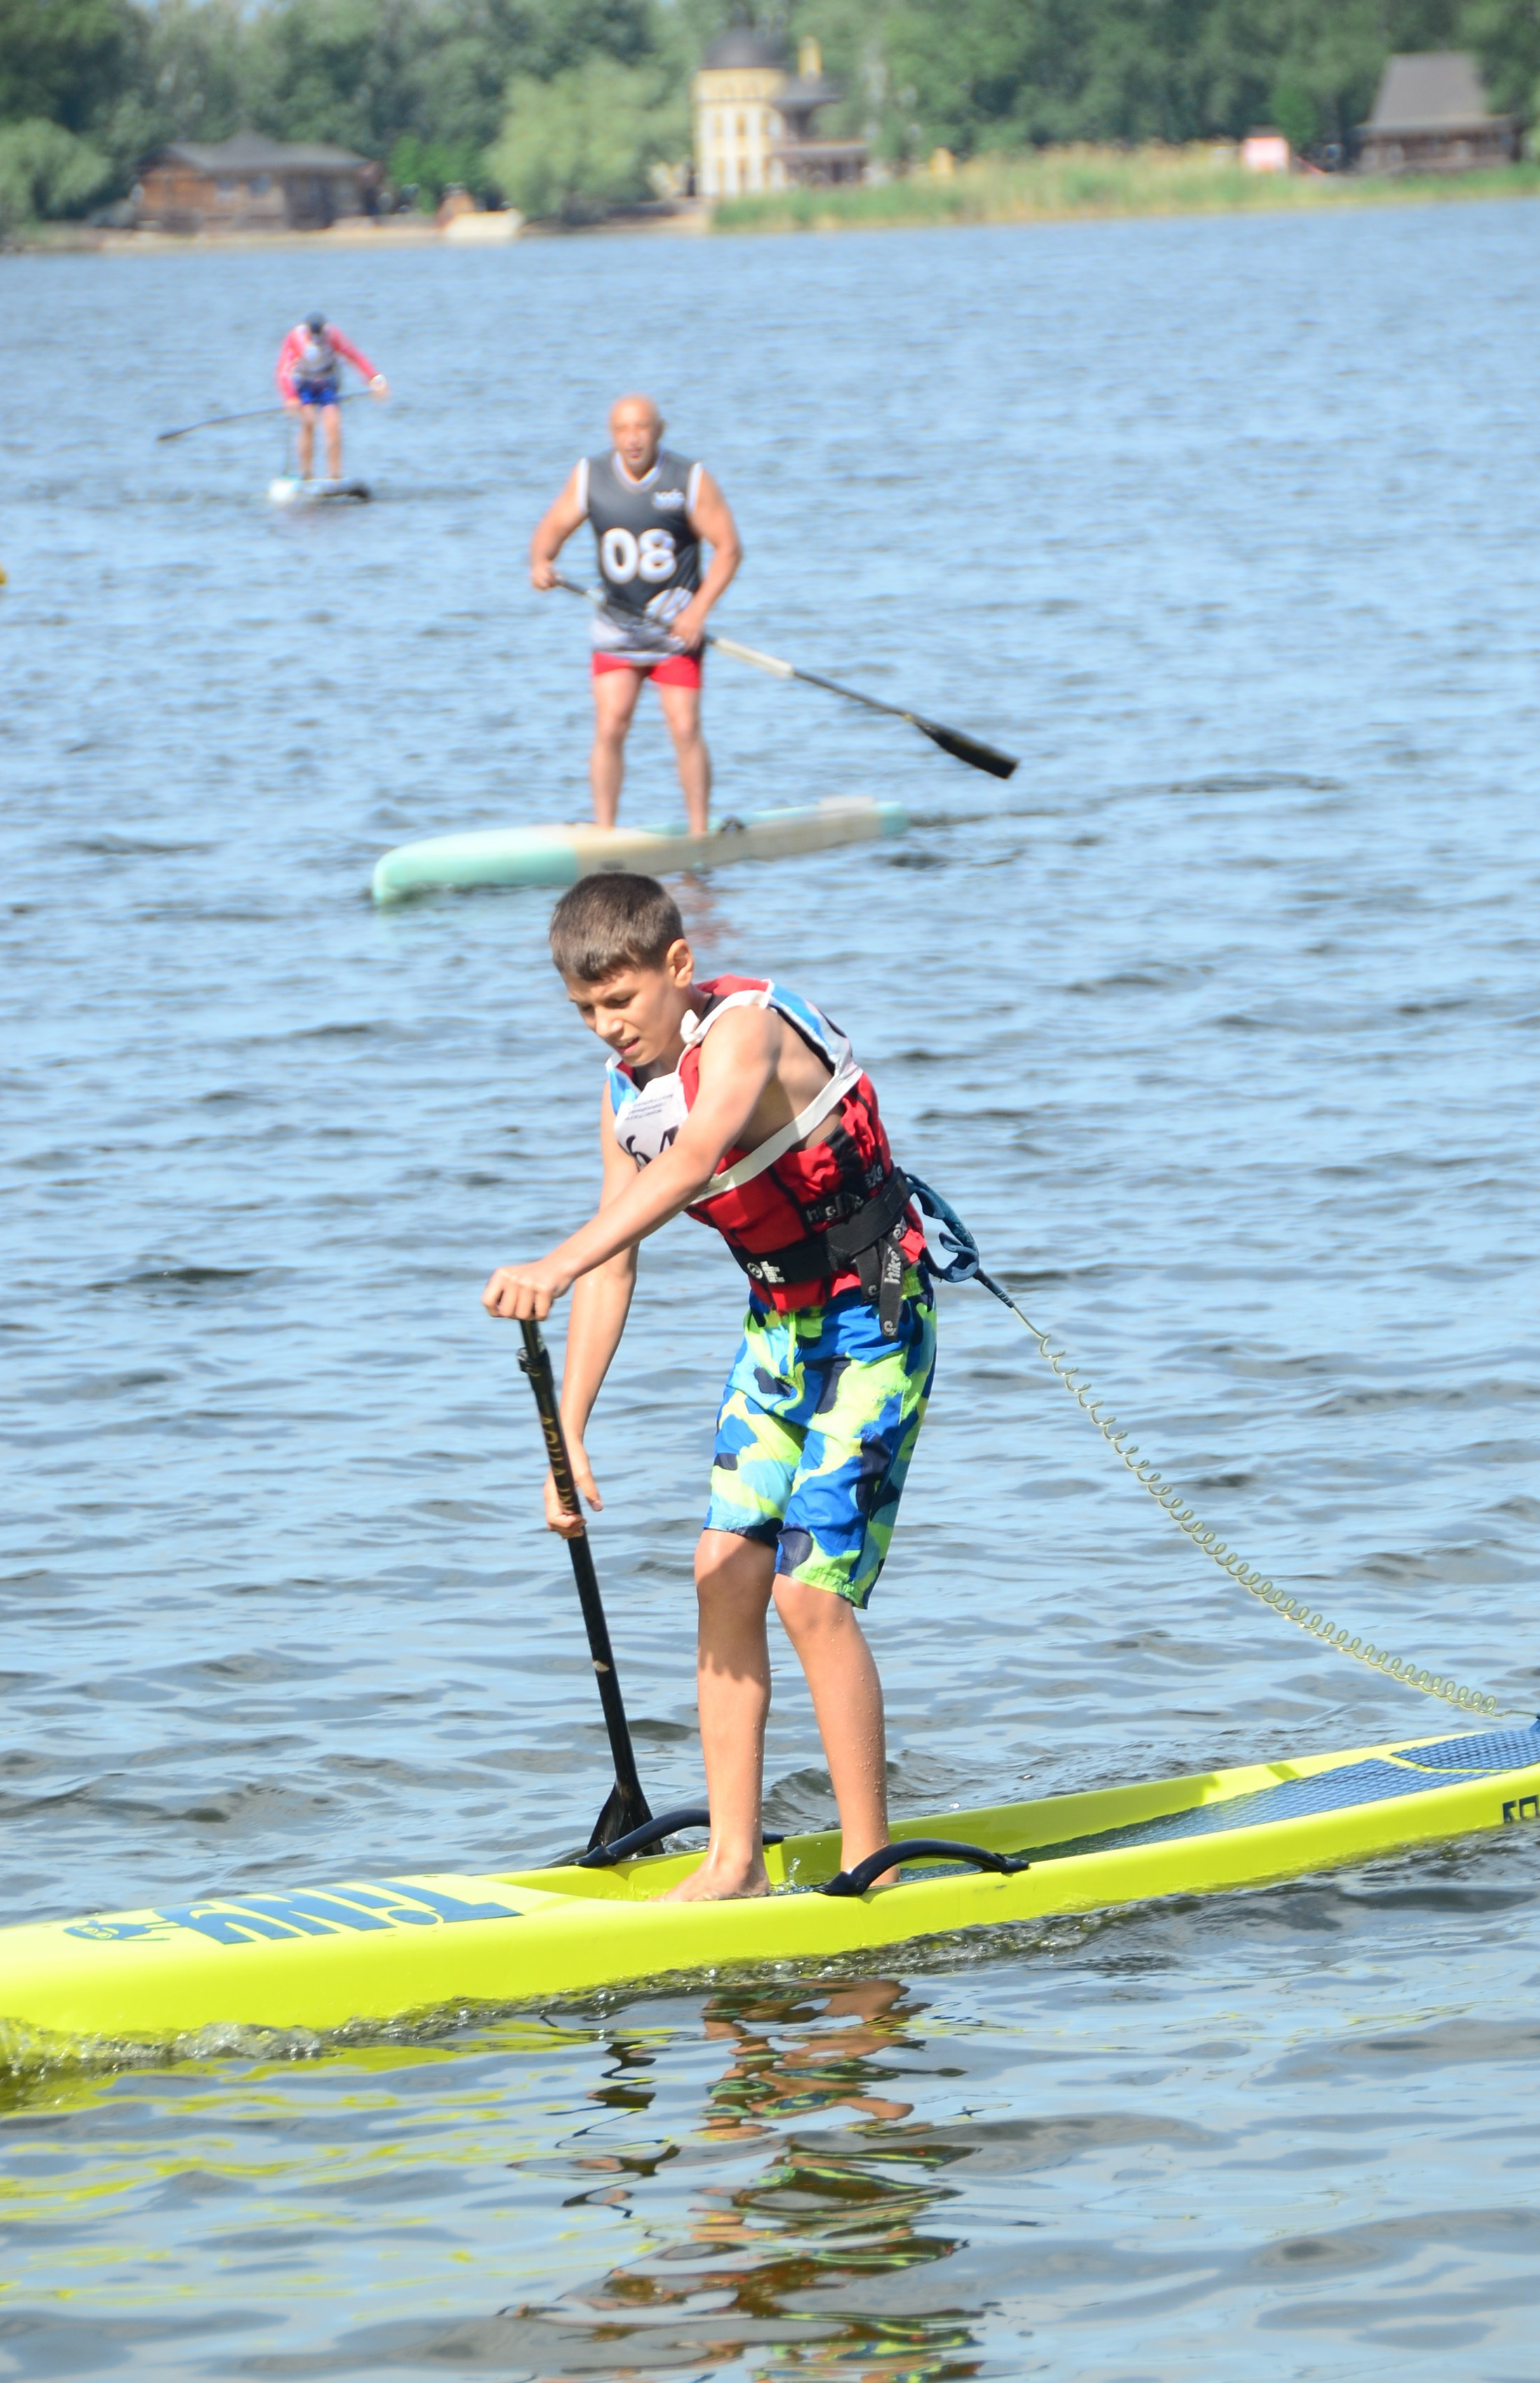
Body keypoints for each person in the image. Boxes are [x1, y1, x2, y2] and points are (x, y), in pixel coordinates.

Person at [482, 872, 933, 1901]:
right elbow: (615, 1263)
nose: (607, 1028)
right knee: (722, 1572)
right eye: (584, 1010)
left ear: (677, 965)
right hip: (779, 1335)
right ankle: (735, 1863)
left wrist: (550, 1264)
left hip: (876, 1324)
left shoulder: (746, 1031)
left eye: (620, 1000)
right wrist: (568, 1433)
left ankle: (871, 1867)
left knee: (806, 1592)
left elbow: (690, 1163)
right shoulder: (623, 1096)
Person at [529, 395, 742, 838]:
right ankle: (606, 834)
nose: (633, 439)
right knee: (611, 725)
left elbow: (729, 549)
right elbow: (550, 530)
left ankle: (699, 837)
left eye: (642, 427)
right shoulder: (590, 475)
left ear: (659, 430)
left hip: (675, 633)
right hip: (617, 631)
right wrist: (541, 562)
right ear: (612, 433)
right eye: (623, 429)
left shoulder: (688, 479)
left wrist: (698, 611)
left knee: (685, 727)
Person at [274, 312, 387, 483]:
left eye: (319, 334)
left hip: (326, 384)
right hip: (305, 385)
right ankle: (306, 474)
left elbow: (354, 356)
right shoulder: (296, 338)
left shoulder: (333, 335)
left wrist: (374, 379)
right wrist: (290, 396)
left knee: (333, 425)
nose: (317, 338)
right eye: (313, 334)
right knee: (309, 422)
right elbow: (283, 370)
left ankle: (335, 475)